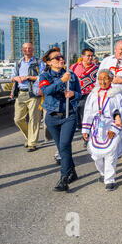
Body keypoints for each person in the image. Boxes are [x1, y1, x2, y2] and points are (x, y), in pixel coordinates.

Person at [39, 48, 82, 192]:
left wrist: (73, 93)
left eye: (61, 57)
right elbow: (46, 91)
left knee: (64, 146)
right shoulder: (45, 75)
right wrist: (61, 81)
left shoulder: (72, 75)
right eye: (56, 58)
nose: (61, 59)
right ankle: (72, 172)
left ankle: (64, 179)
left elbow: (79, 94)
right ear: (49, 62)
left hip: (68, 115)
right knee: (62, 148)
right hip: (52, 117)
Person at [82, 69, 122, 191]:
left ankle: (110, 179)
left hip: (110, 128)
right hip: (97, 129)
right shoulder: (93, 95)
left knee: (110, 155)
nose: (103, 81)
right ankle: (103, 173)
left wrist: (114, 128)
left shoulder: (117, 96)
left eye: (106, 78)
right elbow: (88, 112)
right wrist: (85, 129)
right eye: (100, 79)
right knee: (96, 156)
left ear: (111, 79)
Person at [11, 42, 45, 152]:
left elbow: (43, 77)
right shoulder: (19, 63)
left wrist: (29, 77)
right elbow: (12, 77)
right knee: (18, 119)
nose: (27, 50)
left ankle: (32, 143)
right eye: (25, 48)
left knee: (34, 119)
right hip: (21, 93)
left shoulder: (39, 62)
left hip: (34, 93)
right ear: (22, 50)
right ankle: (29, 137)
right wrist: (16, 78)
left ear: (33, 49)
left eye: (29, 48)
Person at [70, 48, 99, 135]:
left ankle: (87, 136)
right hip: (76, 94)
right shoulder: (74, 67)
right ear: (82, 56)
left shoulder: (97, 68)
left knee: (86, 114)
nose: (90, 58)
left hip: (90, 95)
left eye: (91, 56)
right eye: (88, 56)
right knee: (77, 113)